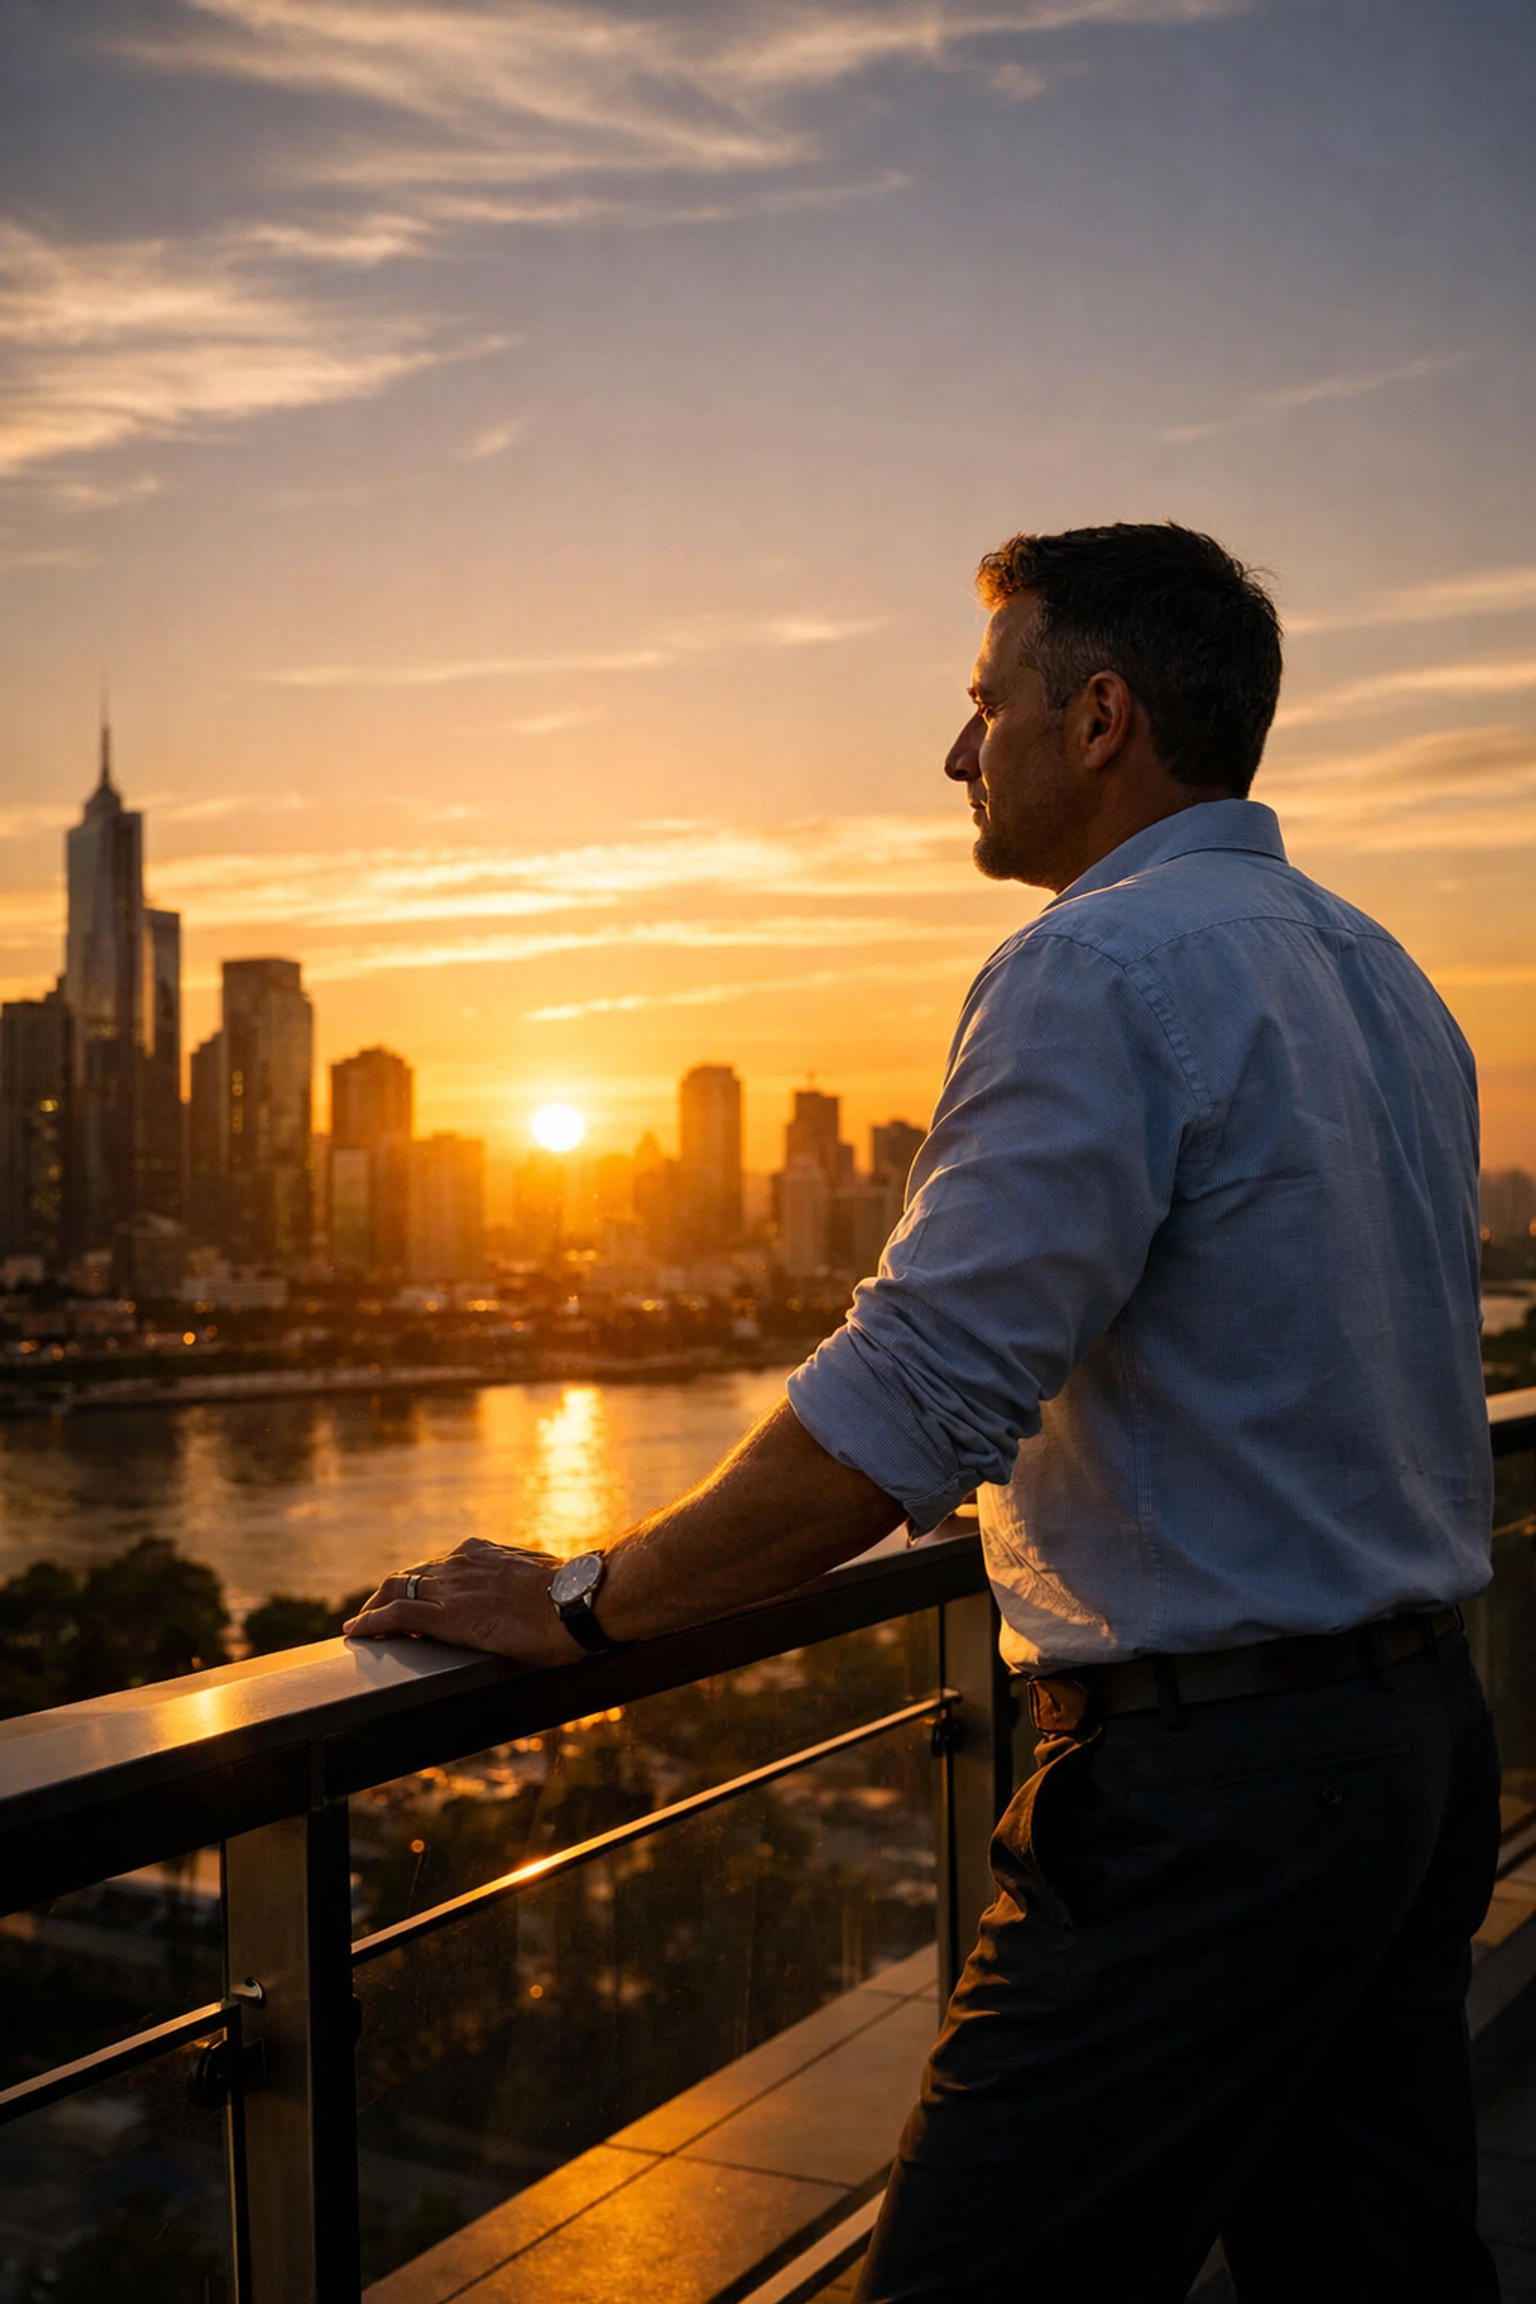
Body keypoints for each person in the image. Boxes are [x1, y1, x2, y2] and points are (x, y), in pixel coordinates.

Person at [346, 522, 1499, 2302]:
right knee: (1377, 2269)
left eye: (985, 703)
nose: (957, 752)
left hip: (1212, 1800)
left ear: (1099, 717)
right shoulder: (1392, 981)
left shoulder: (1097, 970)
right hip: (1421, 1740)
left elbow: (913, 1399)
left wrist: (592, 1602)